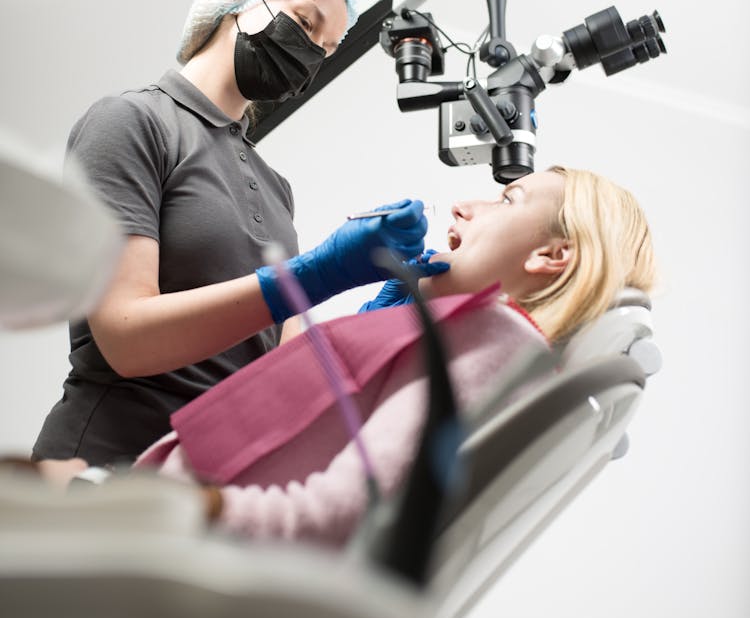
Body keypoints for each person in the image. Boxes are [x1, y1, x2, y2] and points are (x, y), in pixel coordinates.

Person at [46, 165, 656, 546]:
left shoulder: (500, 343)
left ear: (552, 256)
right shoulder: (465, 342)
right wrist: (369, 322)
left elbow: (335, 519)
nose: (466, 206)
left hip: (155, 551)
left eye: (508, 198)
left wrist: (123, 503)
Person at [32, 0, 444, 467]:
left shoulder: (276, 188)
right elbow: (126, 339)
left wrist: (371, 324)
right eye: (304, 20)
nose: (311, 49)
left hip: (204, 477)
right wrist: (315, 275)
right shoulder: (131, 123)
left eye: (326, 46)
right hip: (102, 463)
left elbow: (292, 376)